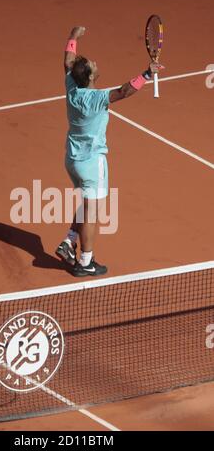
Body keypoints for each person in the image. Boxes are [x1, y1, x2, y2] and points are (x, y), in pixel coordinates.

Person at [56, 26, 164, 277]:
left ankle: (69, 241)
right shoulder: (97, 97)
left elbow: (68, 61)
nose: (95, 62)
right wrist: (147, 74)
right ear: (91, 77)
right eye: (93, 65)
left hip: (72, 159)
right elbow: (125, 91)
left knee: (86, 202)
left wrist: (72, 37)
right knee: (91, 213)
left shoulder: (72, 86)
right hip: (92, 163)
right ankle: (85, 262)